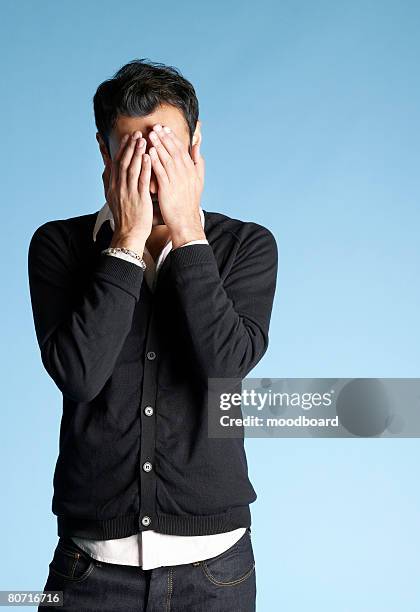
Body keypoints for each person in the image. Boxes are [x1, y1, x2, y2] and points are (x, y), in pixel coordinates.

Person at [28, 58, 278, 611]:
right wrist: (127, 239)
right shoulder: (59, 246)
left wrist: (188, 233)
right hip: (89, 570)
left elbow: (223, 368)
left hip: (217, 571)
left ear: (196, 147)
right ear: (104, 153)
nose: (154, 168)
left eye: (166, 148)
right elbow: (79, 374)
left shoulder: (246, 246)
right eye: (135, 151)